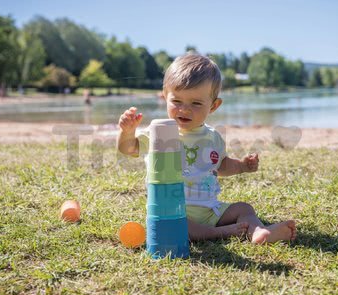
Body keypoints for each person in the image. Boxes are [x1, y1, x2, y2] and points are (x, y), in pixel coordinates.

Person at [117, 54, 296, 243]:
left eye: (196, 103)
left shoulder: (213, 137)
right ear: (165, 96)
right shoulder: (159, 132)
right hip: (174, 210)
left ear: (213, 106)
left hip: (211, 210)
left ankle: (258, 231)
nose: (184, 109)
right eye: (177, 101)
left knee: (244, 209)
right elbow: (127, 149)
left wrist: (242, 166)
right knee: (179, 224)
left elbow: (221, 166)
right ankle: (217, 233)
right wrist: (127, 132)